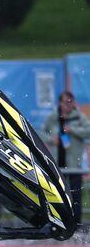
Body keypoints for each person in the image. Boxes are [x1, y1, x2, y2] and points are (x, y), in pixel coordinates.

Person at [42, 91, 90, 225]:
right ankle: (59, 222)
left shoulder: (79, 117)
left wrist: (73, 130)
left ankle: (76, 223)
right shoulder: (53, 117)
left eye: (70, 102)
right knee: (58, 194)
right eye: (65, 102)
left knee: (76, 195)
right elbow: (42, 132)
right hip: (57, 164)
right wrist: (51, 139)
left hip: (74, 164)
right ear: (60, 103)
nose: (68, 105)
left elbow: (88, 131)